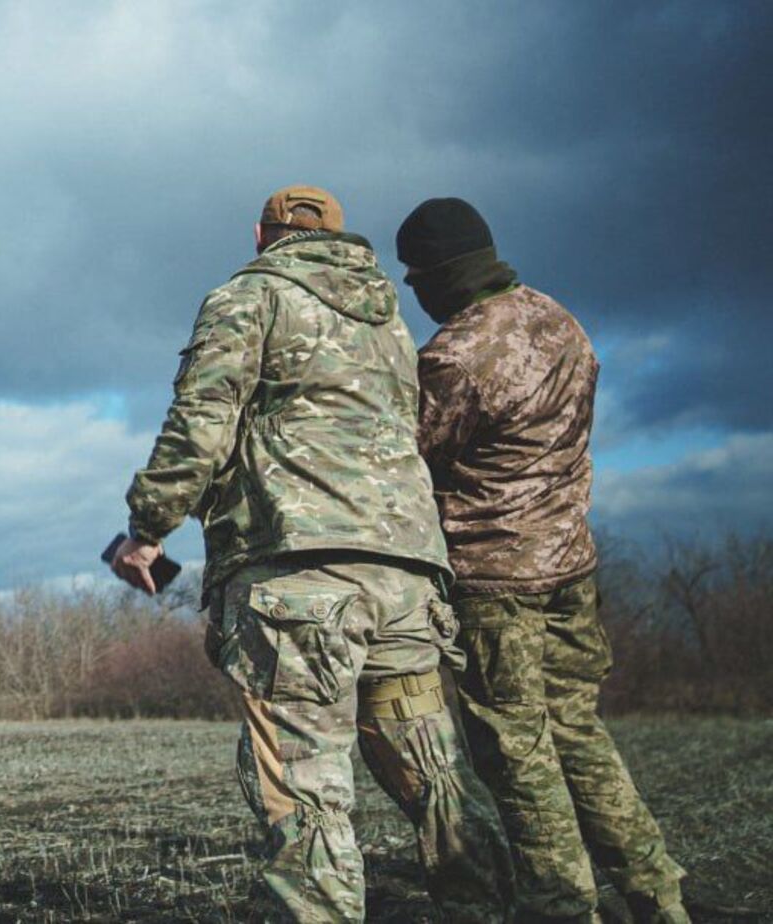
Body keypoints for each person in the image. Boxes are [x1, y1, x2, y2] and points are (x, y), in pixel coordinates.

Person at [113, 185, 511, 922]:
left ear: (260, 236)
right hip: (405, 580)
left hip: (303, 584)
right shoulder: (387, 316)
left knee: (306, 791)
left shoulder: (249, 296)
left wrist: (147, 525)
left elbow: (202, 421)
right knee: (436, 778)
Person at [398, 197, 691, 924]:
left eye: (415, 276)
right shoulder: (559, 319)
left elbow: (406, 457)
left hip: (496, 581)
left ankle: (563, 906)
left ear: (439, 273)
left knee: (517, 756)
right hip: (571, 567)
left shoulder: (457, 356)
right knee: (578, 731)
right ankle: (657, 893)